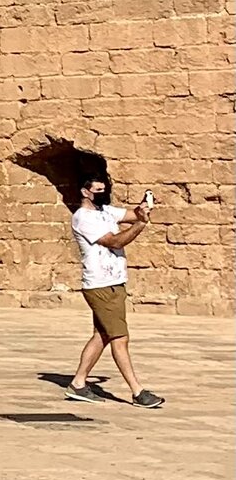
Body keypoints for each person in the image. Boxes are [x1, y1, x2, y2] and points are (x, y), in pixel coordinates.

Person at [66, 155, 164, 408]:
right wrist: (142, 224)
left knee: (102, 335)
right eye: (97, 191)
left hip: (114, 282)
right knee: (120, 338)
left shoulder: (105, 211)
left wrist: (142, 210)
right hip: (100, 285)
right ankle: (137, 391)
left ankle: (78, 383)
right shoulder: (83, 218)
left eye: (104, 190)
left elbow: (130, 215)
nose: (102, 194)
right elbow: (115, 241)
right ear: (85, 192)